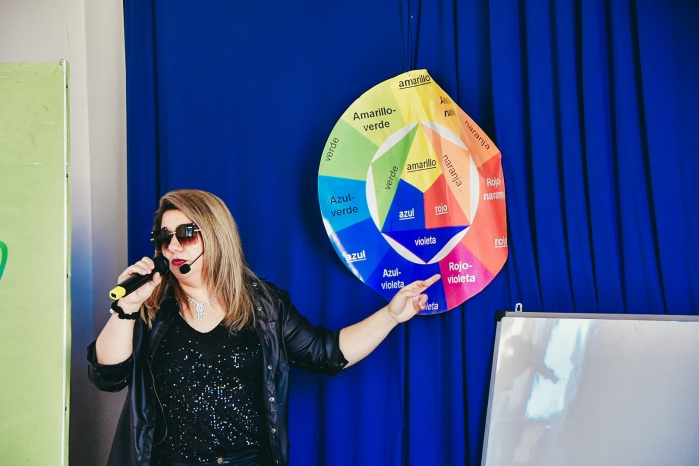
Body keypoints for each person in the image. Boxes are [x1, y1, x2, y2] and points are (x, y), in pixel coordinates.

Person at [87, 189, 440, 466]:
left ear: (217, 236)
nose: (174, 245)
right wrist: (125, 309)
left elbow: (327, 353)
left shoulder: (264, 305)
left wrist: (391, 315)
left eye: (187, 233)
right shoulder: (150, 308)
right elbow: (108, 376)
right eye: (165, 237)